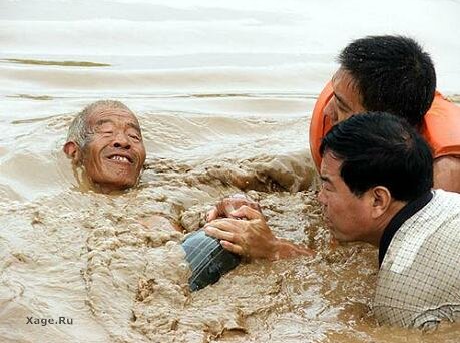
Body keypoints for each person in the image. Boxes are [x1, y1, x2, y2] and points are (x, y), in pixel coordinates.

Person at [206, 112, 460, 329]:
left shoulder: (401, 301)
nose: (319, 198)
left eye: (328, 187)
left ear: (378, 200)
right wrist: (274, 249)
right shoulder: (449, 204)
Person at [63, 100, 240, 291]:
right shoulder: (64, 214)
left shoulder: (172, 188)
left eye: (134, 136)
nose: (123, 141)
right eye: (107, 132)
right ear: (74, 152)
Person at [310, 35, 460, 193]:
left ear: (385, 125)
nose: (327, 110)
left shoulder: (444, 177)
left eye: (342, 106)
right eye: (336, 95)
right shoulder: (346, 89)